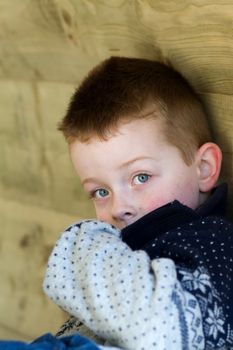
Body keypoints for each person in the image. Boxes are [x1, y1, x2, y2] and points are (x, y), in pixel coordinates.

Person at [43, 57, 233, 350]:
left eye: (141, 177)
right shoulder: (125, 247)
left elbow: (159, 331)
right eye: (100, 192)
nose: (119, 208)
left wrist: (81, 245)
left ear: (204, 168)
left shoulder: (213, 245)